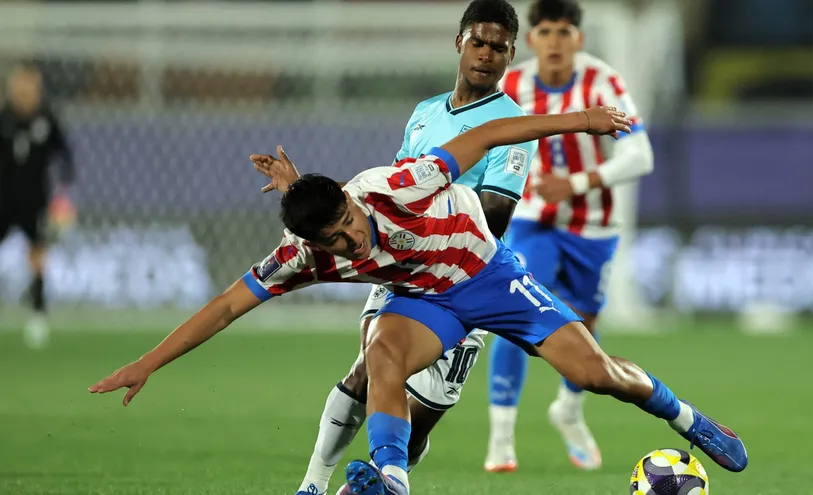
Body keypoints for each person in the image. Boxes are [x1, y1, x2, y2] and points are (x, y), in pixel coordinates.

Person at [88, 107, 748, 495]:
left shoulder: (397, 186)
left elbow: (489, 137)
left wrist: (586, 121)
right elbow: (227, 305)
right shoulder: (306, 254)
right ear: (313, 238)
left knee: (593, 373)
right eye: (336, 236)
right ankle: (391, 478)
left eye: (348, 219)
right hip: (425, 303)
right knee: (382, 353)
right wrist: (149, 361)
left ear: (350, 195)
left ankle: (690, 420)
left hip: (488, 274)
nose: (352, 235)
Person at [262, 1, 538, 494]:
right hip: (402, 269)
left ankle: (388, 476)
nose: (486, 54)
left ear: (511, 54)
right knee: (367, 369)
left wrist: (426, 215)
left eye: (499, 47)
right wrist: (303, 192)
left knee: (421, 417)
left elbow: (495, 217)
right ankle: (313, 485)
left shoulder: (512, 128)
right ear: (459, 42)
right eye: (478, 42)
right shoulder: (425, 114)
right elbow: (381, 195)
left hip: (465, 276)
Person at [483, 0, 656, 472]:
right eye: (546, 32)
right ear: (531, 40)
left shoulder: (602, 81)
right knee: (516, 312)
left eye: (564, 32)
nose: (555, 42)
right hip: (531, 219)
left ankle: (569, 410)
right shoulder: (509, 83)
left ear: (578, 39)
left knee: (584, 324)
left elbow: (641, 155)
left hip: (592, 224)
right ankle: (501, 437)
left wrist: (577, 184)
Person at [0, 60, 75, 348]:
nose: (25, 90)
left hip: (35, 201)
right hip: (3, 200)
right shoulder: (4, 118)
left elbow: (65, 158)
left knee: (37, 256)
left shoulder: (47, 119)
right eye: (20, 84)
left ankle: (38, 315)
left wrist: (63, 196)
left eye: (31, 84)